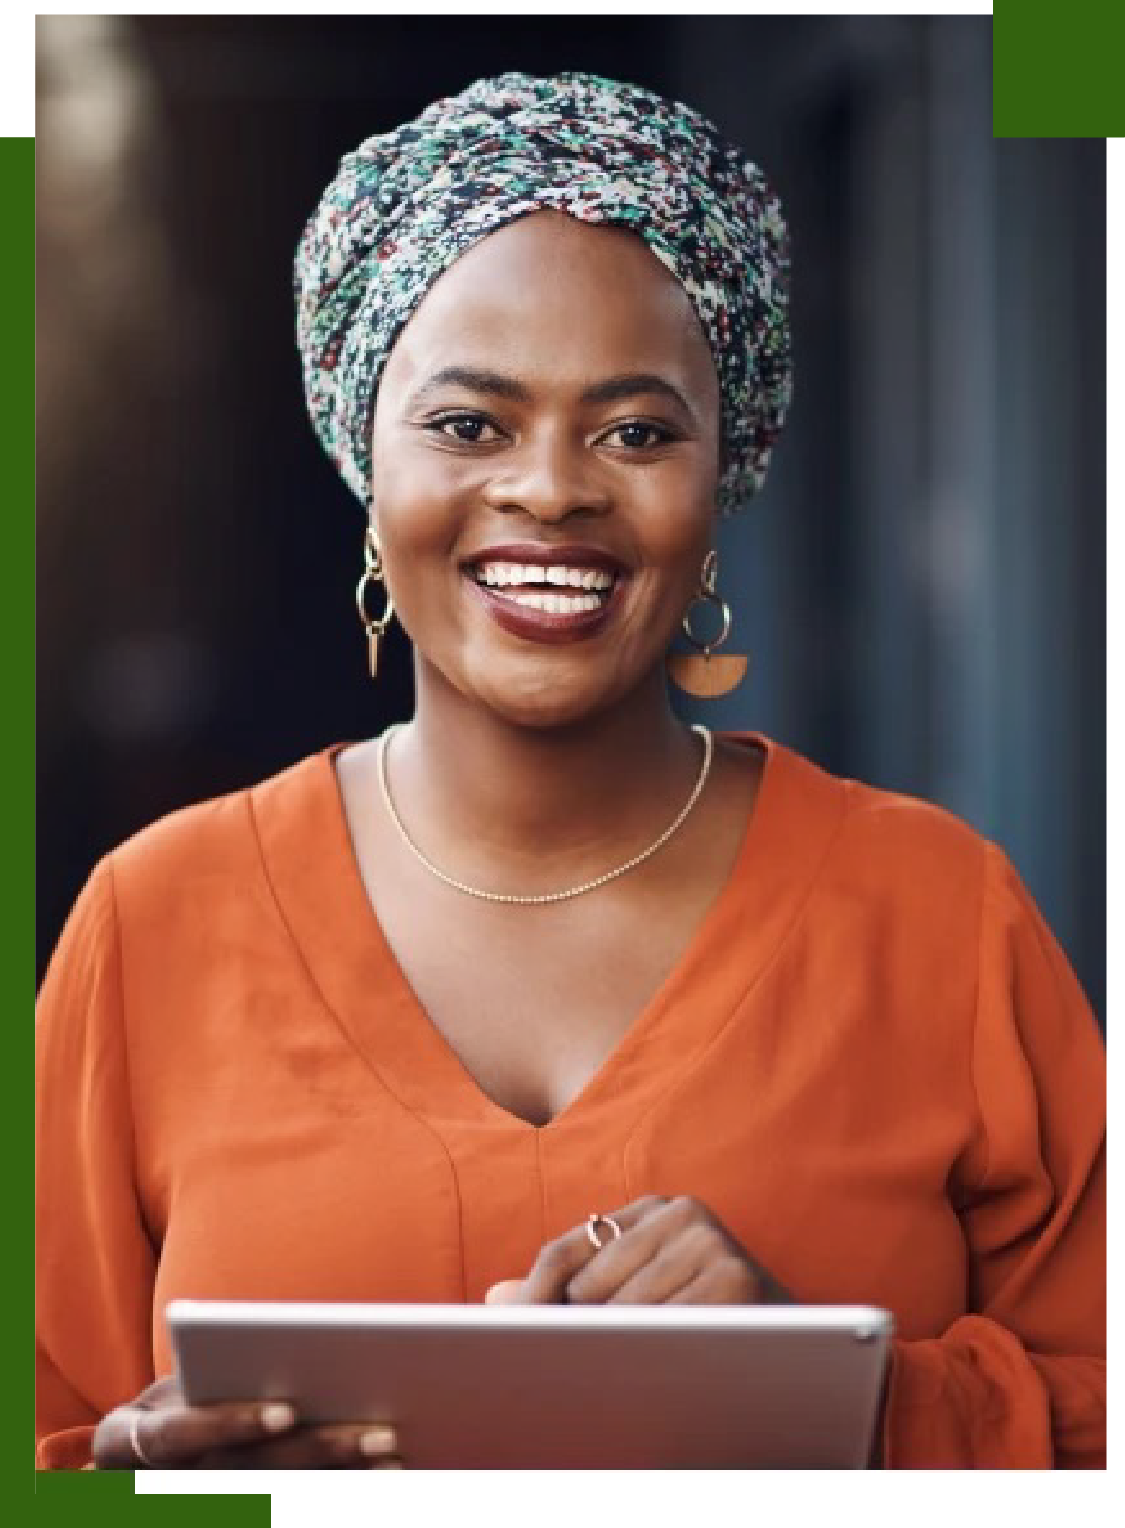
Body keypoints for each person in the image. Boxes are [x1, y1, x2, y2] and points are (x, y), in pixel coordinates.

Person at [35, 71, 1105, 1471]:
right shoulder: (154, 922)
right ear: (368, 462)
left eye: (638, 430)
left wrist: (841, 1404)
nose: (551, 489)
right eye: (471, 424)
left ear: (726, 474)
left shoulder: (941, 917)